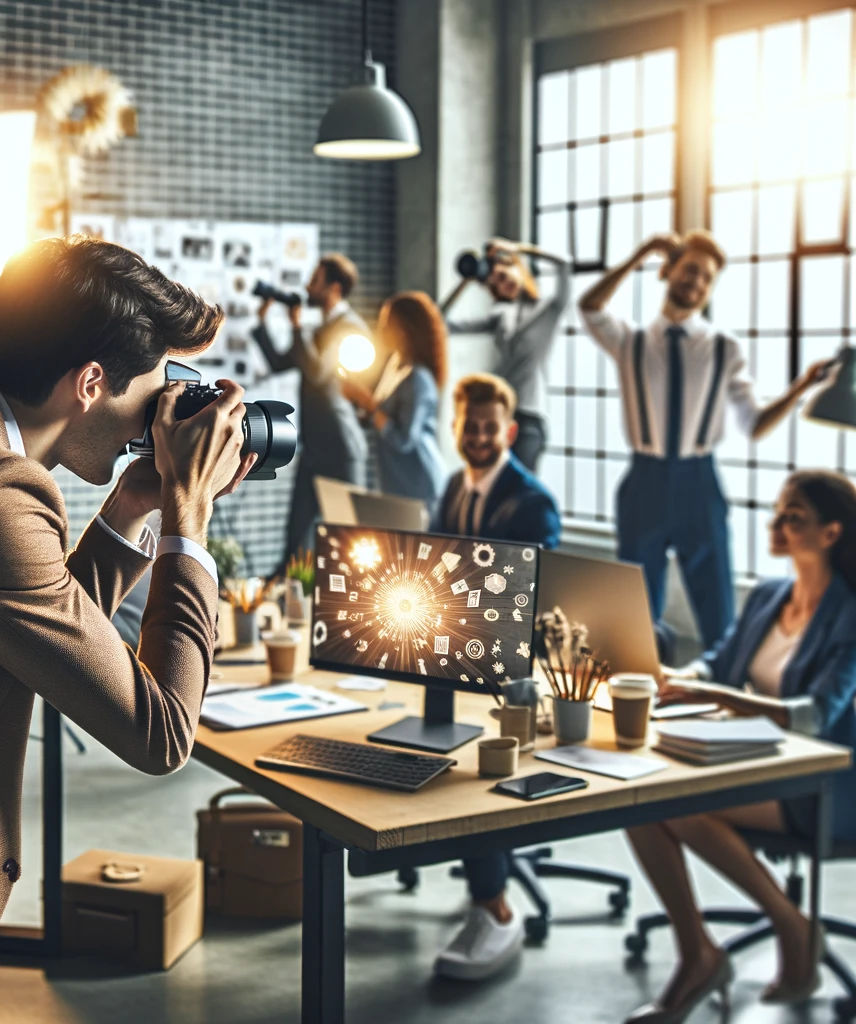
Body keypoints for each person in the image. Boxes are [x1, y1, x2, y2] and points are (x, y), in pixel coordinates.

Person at [0, 237, 256, 1024]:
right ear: (91, 383)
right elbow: (159, 732)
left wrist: (133, 506)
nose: (159, 416)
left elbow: (31, 632)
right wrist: (187, 516)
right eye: (157, 390)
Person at [623, 470, 856, 1023]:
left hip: (825, 780)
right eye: (777, 511)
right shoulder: (771, 596)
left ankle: (786, 925)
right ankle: (700, 950)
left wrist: (709, 691)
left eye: (793, 516)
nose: (775, 523)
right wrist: (681, 675)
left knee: (663, 798)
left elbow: (817, 714)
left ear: (831, 533)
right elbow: (722, 661)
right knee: (636, 796)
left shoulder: (850, 613)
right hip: (757, 763)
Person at [578, 230, 833, 654]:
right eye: (690, 270)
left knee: (718, 617)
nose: (696, 283)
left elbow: (754, 423)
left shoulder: (723, 348)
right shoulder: (630, 341)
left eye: (707, 278)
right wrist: (640, 251)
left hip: (699, 482)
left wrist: (802, 386)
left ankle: (726, 705)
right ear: (668, 271)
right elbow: (589, 306)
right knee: (637, 617)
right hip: (644, 481)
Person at [429, 372, 561, 981]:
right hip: (455, 649)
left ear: (508, 431)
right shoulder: (457, 485)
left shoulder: (531, 499)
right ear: (457, 430)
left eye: (490, 428)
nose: (479, 437)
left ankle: (495, 906)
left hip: (511, 665)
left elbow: (535, 597)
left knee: (468, 766)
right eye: (469, 427)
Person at [252, 254, 369, 570]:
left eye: (314, 280)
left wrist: (296, 325)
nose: (307, 286)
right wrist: (263, 321)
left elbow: (318, 372)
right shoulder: (319, 330)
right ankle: (287, 608)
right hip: (314, 449)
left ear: (333, 288)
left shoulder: (349, 327)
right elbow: (280, 362)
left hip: (342, 449)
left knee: (351, 545)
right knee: (295, 543)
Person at [442, 238, 571, 473]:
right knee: (486, 483)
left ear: (518, 268)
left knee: (519, 491)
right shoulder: (501, 315)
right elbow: (440, 322)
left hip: (529, 418)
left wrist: (517, 248)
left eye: (505, 275)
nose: (504, 283)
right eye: (496, 282)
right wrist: (467, 281)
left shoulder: (549, 310)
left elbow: (564, 264)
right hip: (496, 416)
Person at [338, 290, 447, 511]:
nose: (381, 330)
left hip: (420, 483)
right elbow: (380, 418)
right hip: (395, 480)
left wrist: (367, 403)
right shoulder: (395, 364)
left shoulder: (418, 379)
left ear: (406, 329)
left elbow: (404, 440)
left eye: (387, 323)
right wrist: (361, 405)